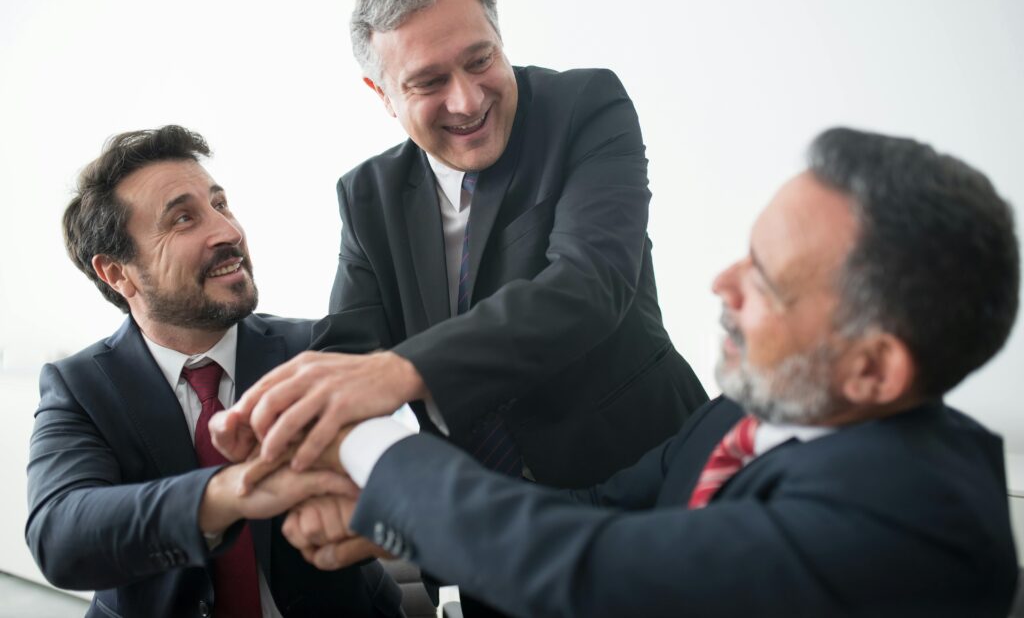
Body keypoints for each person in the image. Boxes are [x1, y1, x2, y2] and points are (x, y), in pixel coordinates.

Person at [271, 128, 1021, 617]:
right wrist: (401, 529)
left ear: (874, 367)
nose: (722, 284)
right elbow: (597, 508)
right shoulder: (749, 415)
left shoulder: (908, 527)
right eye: (745, 250)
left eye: (766, 279)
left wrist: (371, 439)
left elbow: (587, 565)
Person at [220, 0, 707, 494]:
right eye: (428, 82)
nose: (468, 100)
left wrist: (404, 372)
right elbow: (349, 354)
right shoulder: (365, 196)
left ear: (500, 39)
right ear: (381, 95)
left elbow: (589, 285)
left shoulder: (584, 107)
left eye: (480, 61)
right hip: (480, 522)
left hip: (648, 478)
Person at [26, 126, 402, 618]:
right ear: (117, 273)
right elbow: (60, 537)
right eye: (183, 219)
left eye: (220, 205)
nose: (228, 232)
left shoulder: (313, 350)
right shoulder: (79, 388)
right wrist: (231, 491)